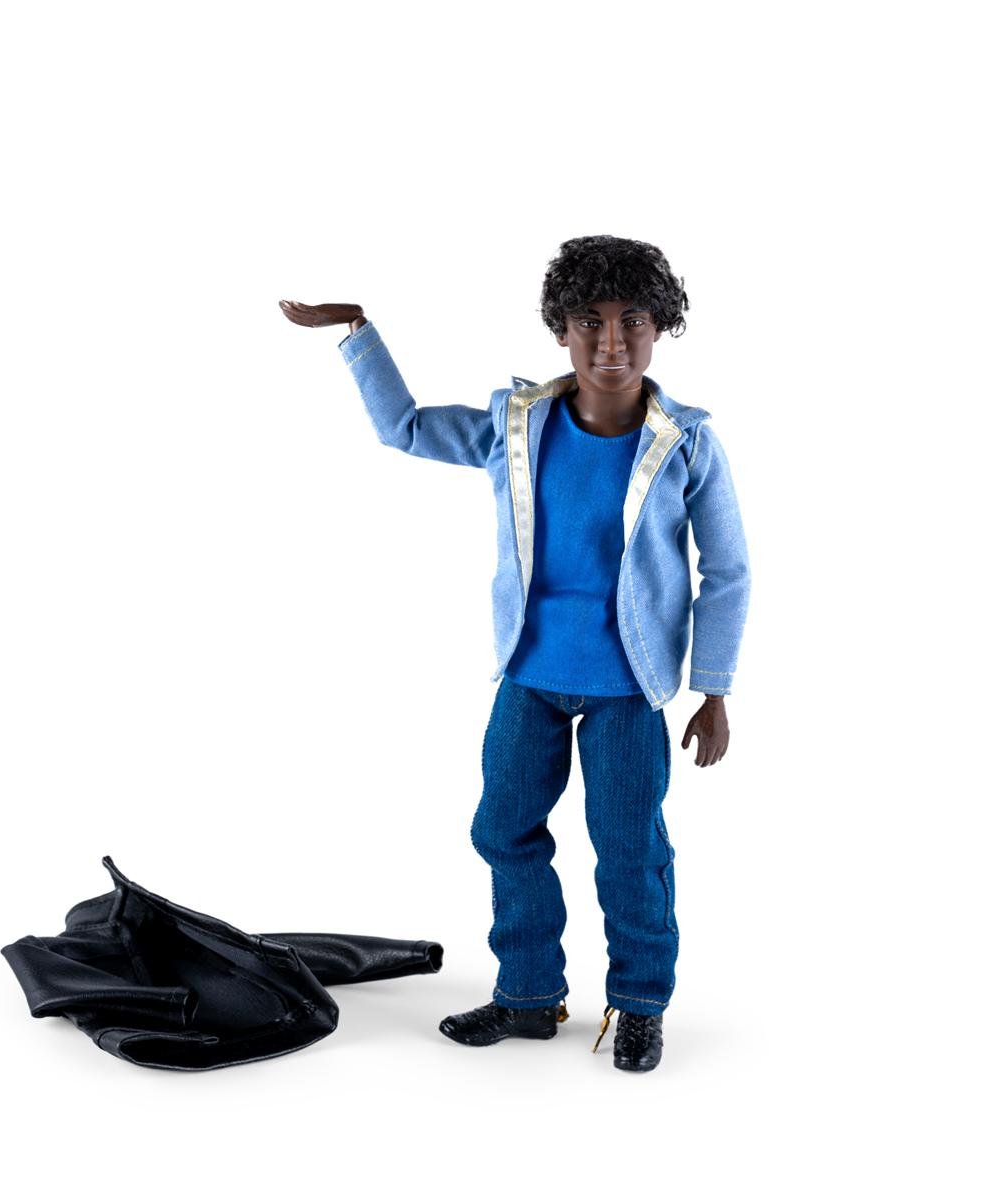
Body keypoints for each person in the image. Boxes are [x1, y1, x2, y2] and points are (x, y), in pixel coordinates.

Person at [279, 234, 750, 1072]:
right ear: (560, 330)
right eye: (589, 321)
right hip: (530, 676)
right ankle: (529, 994)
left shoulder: (685, 443)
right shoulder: (518, 425)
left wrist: (713, 688)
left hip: (628, 687)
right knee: (504, 829)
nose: (611, 342)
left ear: (661, 327)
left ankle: (640, 1004)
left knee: (631, 847)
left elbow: (729, 569)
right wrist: (357, 331)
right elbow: (405, 427)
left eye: (632, 320)